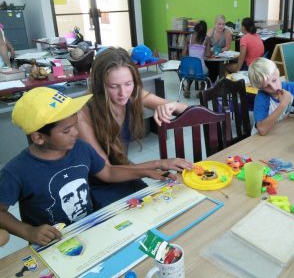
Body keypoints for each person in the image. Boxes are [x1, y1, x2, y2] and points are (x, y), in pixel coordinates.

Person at [0, 87, 174, 246]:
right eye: (66, 131)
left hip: (91, 228)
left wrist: (147, 171)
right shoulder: (16, 171)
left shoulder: (81, 148)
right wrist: (28, 232)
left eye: (75, 124)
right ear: (38, 137)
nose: (76, 132)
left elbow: (108, 172)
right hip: (51, 243)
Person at [77, 47, 193, 209]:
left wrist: (171, 105)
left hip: (125, 172)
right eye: (113, 86)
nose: (123, 93)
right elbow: (106, 172)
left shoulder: (134, 93)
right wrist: (158, 164)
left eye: (128, 83)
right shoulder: (84, 114)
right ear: (99, 86)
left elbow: (188, 110)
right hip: (95, 186)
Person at [248, 58, 294, 136]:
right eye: (267, 86)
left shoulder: (291, 88)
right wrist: (283, 104)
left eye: (274, 80)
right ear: (260, 88)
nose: (274, 88)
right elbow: (262, 130)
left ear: (278, 73)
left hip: (278, 130)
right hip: (259, 139)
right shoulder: (261, 98)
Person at [181, 20, 209, 98]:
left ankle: (187, 88)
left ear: (195, 28)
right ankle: (201, 90)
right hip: (201, 69)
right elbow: (208, 54)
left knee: (192, 70)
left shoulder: (188, 37)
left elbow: (183, 54)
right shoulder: (206, 39)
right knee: (205, 72)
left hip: (188, 69)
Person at [205, 15, 233, 83]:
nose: (221, 26)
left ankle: (212, 85)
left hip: (221, 55)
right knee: (209, 68)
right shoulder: (210, 31)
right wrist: (208, 37)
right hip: (211, 56)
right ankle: (208, 84)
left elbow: (228, 47)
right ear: (215, 24)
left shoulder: (227, 32)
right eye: (219, 24)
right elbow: (204, 45)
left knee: (217, 68)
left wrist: (218, 50)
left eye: (223, 24)